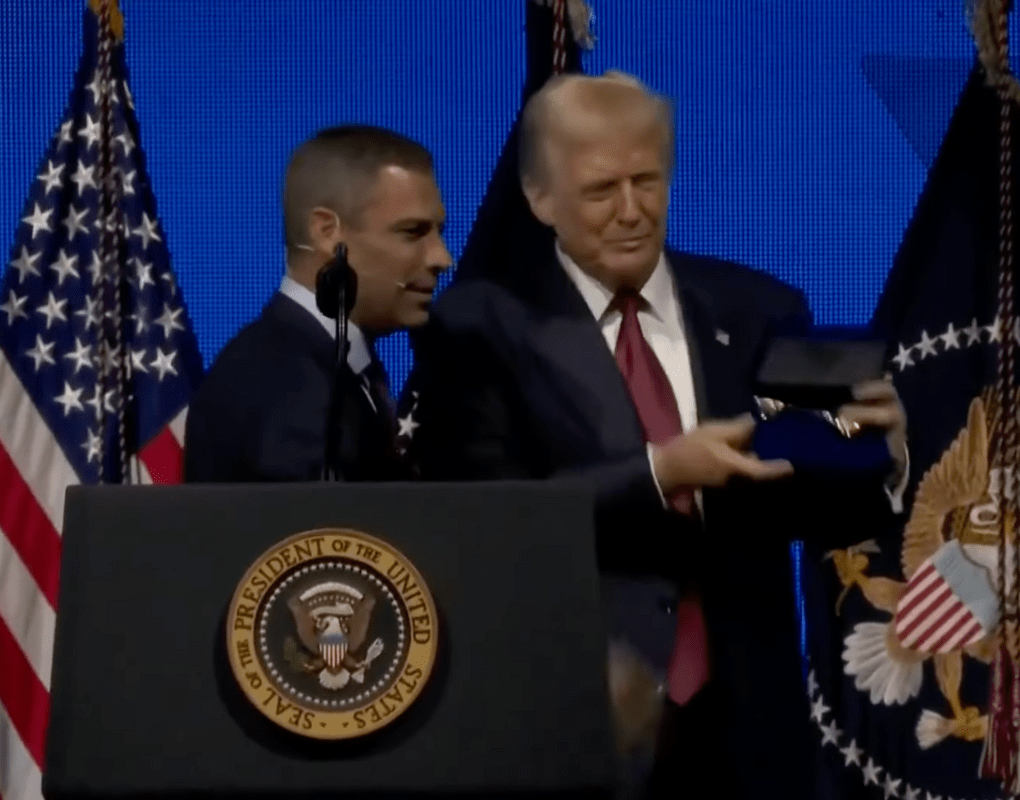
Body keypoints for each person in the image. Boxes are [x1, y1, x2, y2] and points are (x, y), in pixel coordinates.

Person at [408, 73, 907, 798]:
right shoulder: (481, 325)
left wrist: (878, 456)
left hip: (746, 726)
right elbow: (492, 516)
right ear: (540, 198)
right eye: (600, 190)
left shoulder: (758, 307)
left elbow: (813, 505)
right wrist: (660, 472)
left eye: (647, 181)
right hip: (581, 719)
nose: (631, 211)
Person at [183, 125, 452, 482]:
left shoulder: (314, 365)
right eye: (412, 232)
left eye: (439, 233)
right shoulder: (287, 384)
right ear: (327, 232)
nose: (441, 258)